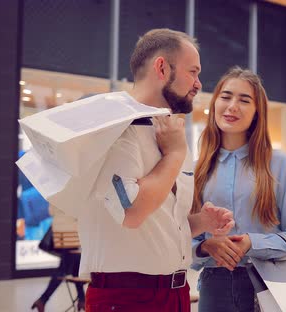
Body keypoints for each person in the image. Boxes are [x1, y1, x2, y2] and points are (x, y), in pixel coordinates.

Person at [77, 29, 235, 312]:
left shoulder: (169, 131)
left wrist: (201, 223)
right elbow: (131, 211)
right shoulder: (114, 127)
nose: (199, 84)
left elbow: (161, 222)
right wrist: (174, 155)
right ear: (162, 67)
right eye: (193, 72)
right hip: (125, 299)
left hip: (175, 294)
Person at [191, 67, 286, 312]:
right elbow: (187, 238)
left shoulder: (278, 164)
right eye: (225, 97)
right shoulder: (197, 169)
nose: (232, 106)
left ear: (258, 112)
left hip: (270, 285)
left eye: (244, 100)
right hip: (215, 287)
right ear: (215, 103)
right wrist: (205, 247)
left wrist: (251, 243)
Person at [31, 206, 85, 312]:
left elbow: (50, 211)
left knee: (75, 269)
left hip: (59, 233)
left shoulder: (56, 191)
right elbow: (79, 212)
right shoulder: (74, 193)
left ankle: (82, 300)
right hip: (71, 233)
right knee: (63, 270)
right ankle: (42, 300)